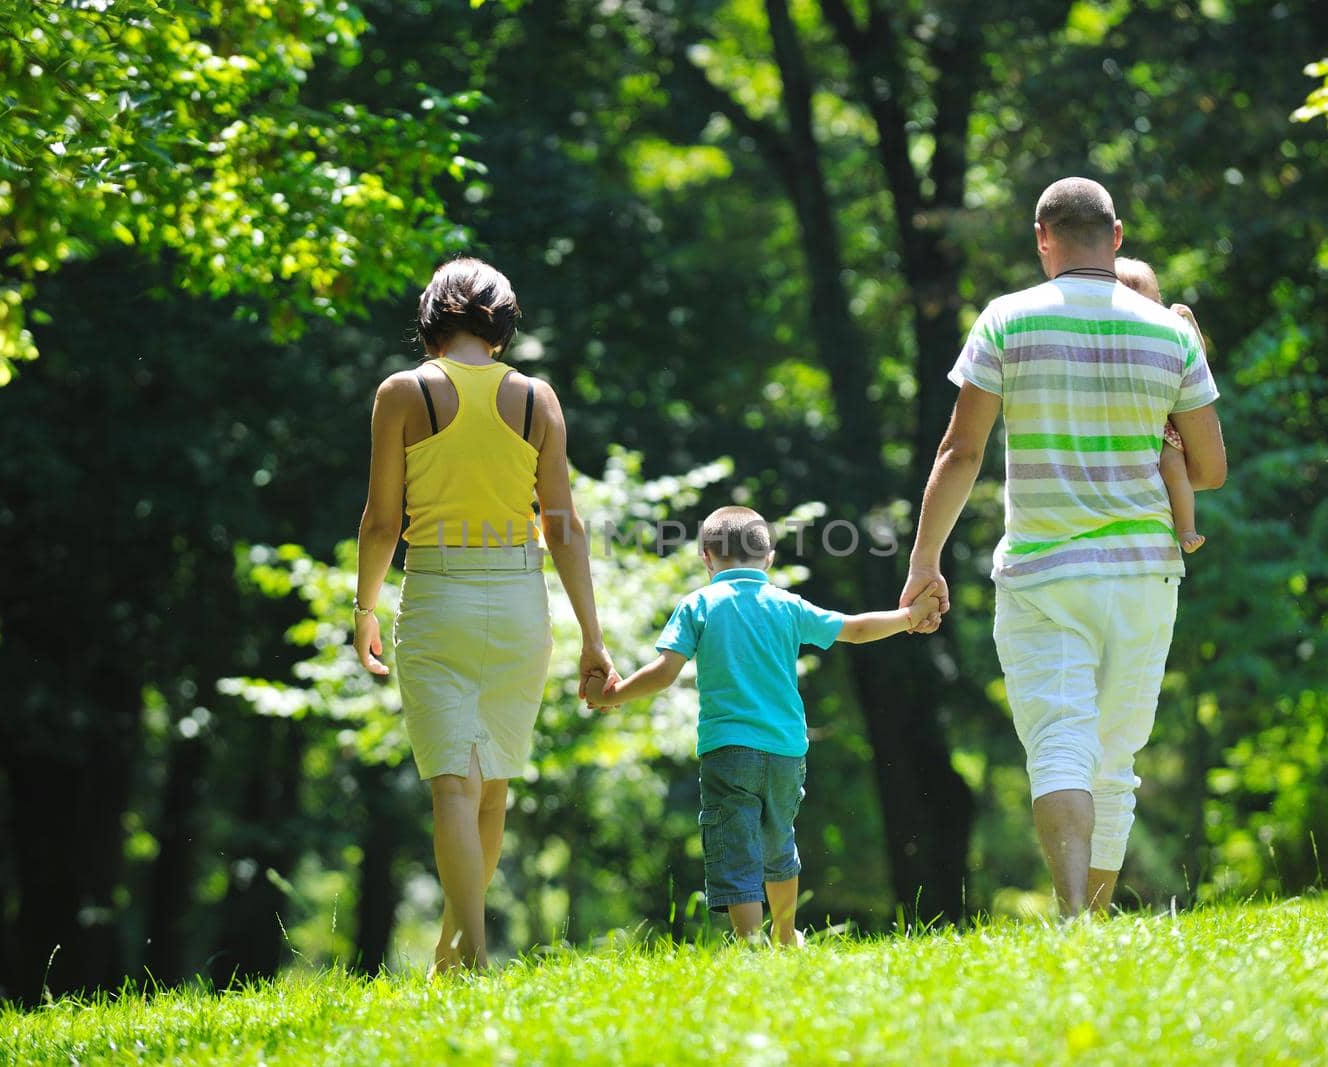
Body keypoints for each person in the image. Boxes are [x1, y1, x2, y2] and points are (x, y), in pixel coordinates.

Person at [899, 177, 1226, 917]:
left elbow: (960, 452)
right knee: (1115, 757)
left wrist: (925, 563)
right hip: (1145, 573)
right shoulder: (1169, 331)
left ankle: (1074, 915)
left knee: (1059, 741)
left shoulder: (1006, 320)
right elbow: (1208, 468)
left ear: (1042, 238)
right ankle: (1097, 919)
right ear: (1115, 238)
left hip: (1043, 573)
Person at [352, 257, 619, 971]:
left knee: (452, 784)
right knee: (492, 787)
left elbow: (382, 521)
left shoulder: (403, 392)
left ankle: (469, 954)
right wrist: (593, 636)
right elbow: (563, 525)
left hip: (439, 594)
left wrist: (364, 607)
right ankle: (453, 947)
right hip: (520, 600)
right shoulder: (538, 398)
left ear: (432, 314)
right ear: (503, 321)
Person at [588, 506, 943, 944]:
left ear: (706, 557)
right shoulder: (786, 605)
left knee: (735, 844)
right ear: (769, 557)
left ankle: (751, 942)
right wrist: (910, 616)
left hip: (727, 749)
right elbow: (854, 629)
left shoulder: (698, 604)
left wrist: (615, 693)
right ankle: (786, 934)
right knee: (779, 841)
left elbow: (665, 673)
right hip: (786, 750)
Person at [1114, 256, 1210, 552]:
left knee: (1172, 466)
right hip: (1129, 423)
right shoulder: (1117, 336)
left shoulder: (1171, 332)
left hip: (1164, 424)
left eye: (1158, 301)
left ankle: (1186, 530)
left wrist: (1191, 325)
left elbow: (1199, 367)